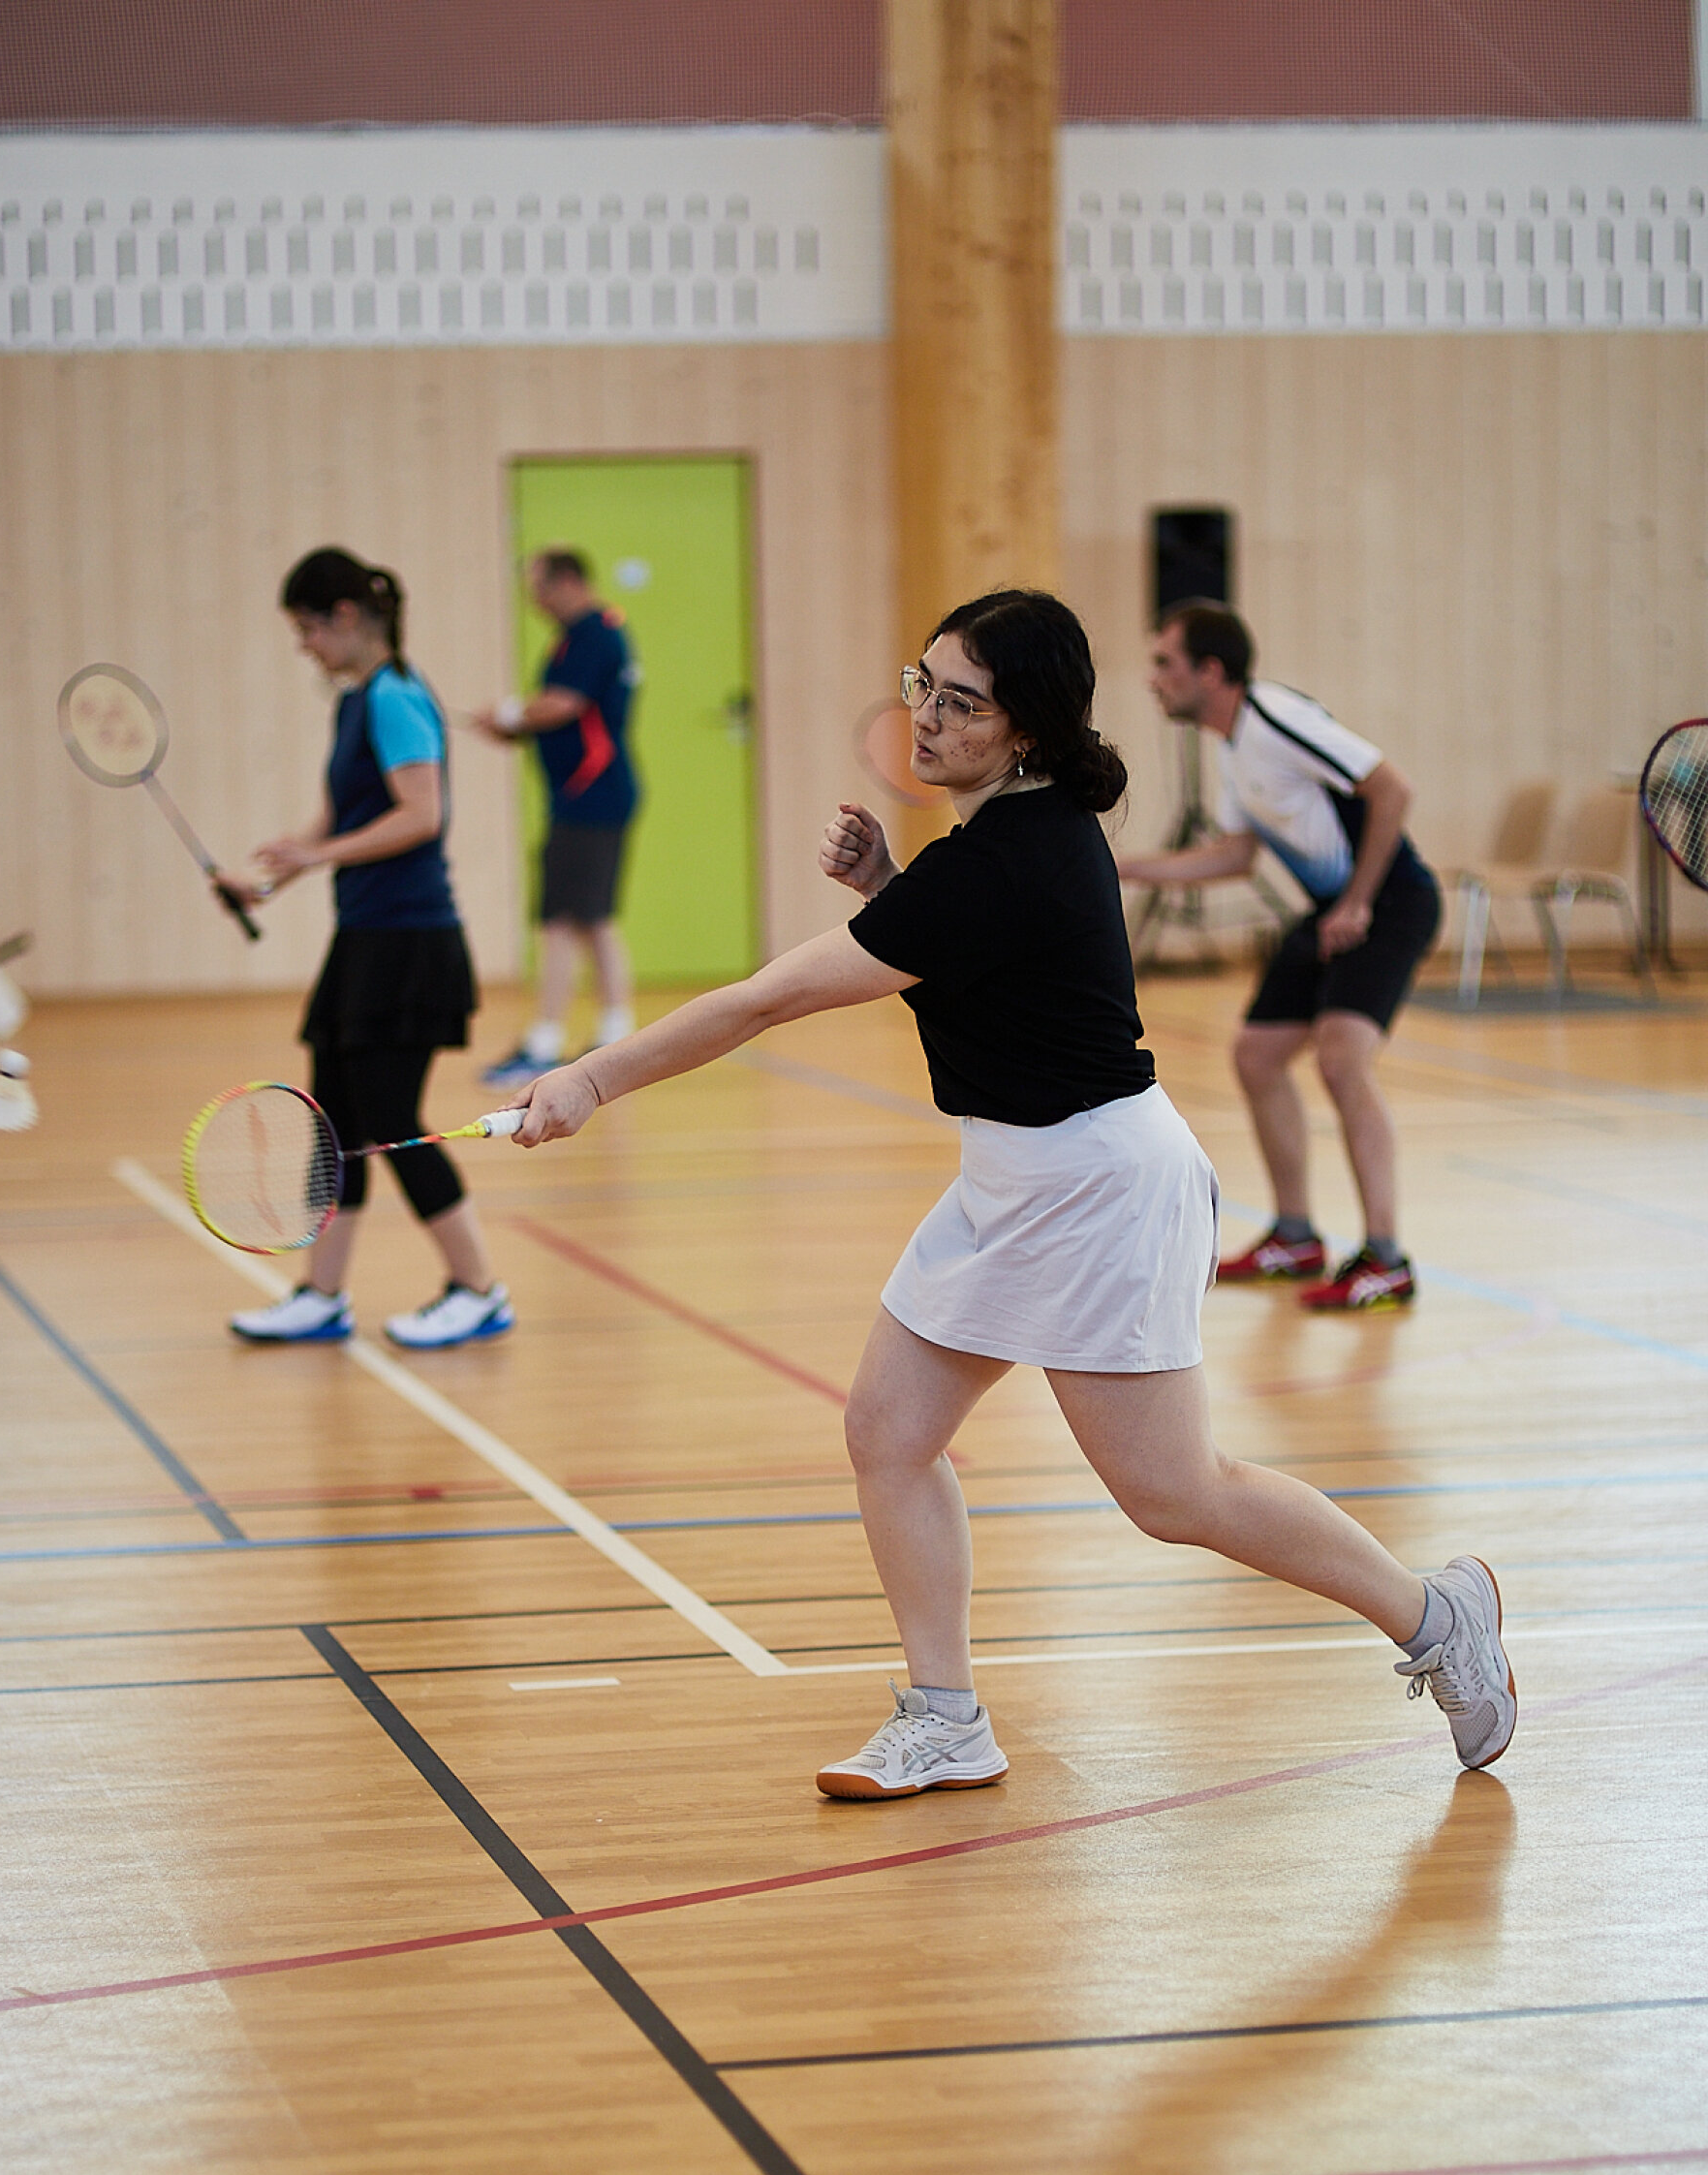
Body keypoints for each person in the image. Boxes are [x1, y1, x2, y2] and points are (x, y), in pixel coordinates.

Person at [497, 588, 1514, 1797]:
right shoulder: (1012, 838)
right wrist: (889, 886)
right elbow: (977, 965)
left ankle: (1437, 1615)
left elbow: (765, 1000)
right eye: (922, 684)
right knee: (888, 1433)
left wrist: (592, 1078)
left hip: (1099, 1188)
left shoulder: (1001, 861)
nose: (927, 717)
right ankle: (946, 1717)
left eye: (963, 703)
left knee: (1176, 1492)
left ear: (1025, 729)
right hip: (1011, 1174)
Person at [219, 547, 512, 1350]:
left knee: (388, 1118)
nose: (304, 646)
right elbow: (335, 820)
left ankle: (478, 1288)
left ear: (346, 617)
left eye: (309, 629)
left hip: (411, 944)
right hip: (365, 940)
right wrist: (266, 880)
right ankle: (321, 1295)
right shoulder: (354, 701)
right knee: (336, 1122)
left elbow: (421, 814)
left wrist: (316, 856)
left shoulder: (395, 696)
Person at [1115, 602, 1441, 1311]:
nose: (1153, 679)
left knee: (1341, 1058)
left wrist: (1358, 901)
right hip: (1334, 909)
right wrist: (1128, 869)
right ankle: (1295, 1238)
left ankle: (1386, 1258)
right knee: (1257, 1055)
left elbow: (1393, 788)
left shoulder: (1276, 718)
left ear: (1211, 671)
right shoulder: (1231, 744)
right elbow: (1236, 856)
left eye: (1165, 663)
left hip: (1390, 901)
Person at [472, 547, 640, 1087]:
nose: (535, 602)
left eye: (539, 589)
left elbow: (563, 705)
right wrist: (513, 728)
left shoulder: (593, 634)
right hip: (583, 797)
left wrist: (508, 713)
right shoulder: (580, 636)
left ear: (568, 582)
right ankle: (614, 1031)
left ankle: (547, 1041)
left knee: (564, 919)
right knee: (589, 917)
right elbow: (561, 717)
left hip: (591, 796)